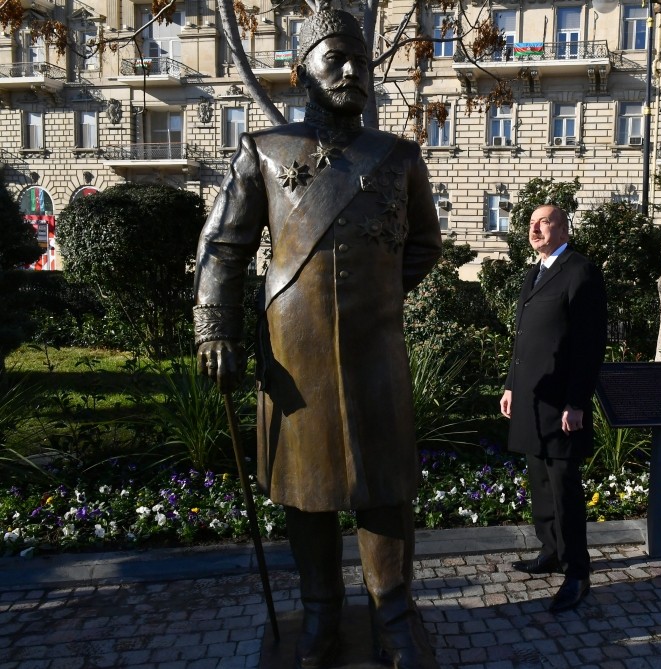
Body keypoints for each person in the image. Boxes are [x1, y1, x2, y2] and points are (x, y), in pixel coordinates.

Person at [192, 8, 442, 668]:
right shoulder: (264, 153)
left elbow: (423, 244)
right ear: (301, 71)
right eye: (335, 59)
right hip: (294, 357)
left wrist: (378, 292)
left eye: (359, 59)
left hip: (376, 348)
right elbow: (223, 247)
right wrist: (214, 328)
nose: (353, 70)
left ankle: (394, 610)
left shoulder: (398, 158)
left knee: (384, 485)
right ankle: (322, 611)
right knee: (307, 488)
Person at [499, 204, 607, 613]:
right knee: (540, 481)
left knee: (564, 488)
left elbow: (589, 344)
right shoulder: (535, 272)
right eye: (531, 222)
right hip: (529, 398)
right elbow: (523, 339)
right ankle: (550, 551)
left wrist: (577, 401)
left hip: (563, 402)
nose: (534, 228)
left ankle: (577, 571)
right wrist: (510, 385)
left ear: (563, 227)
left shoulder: (580, 271)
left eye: (543, 221)